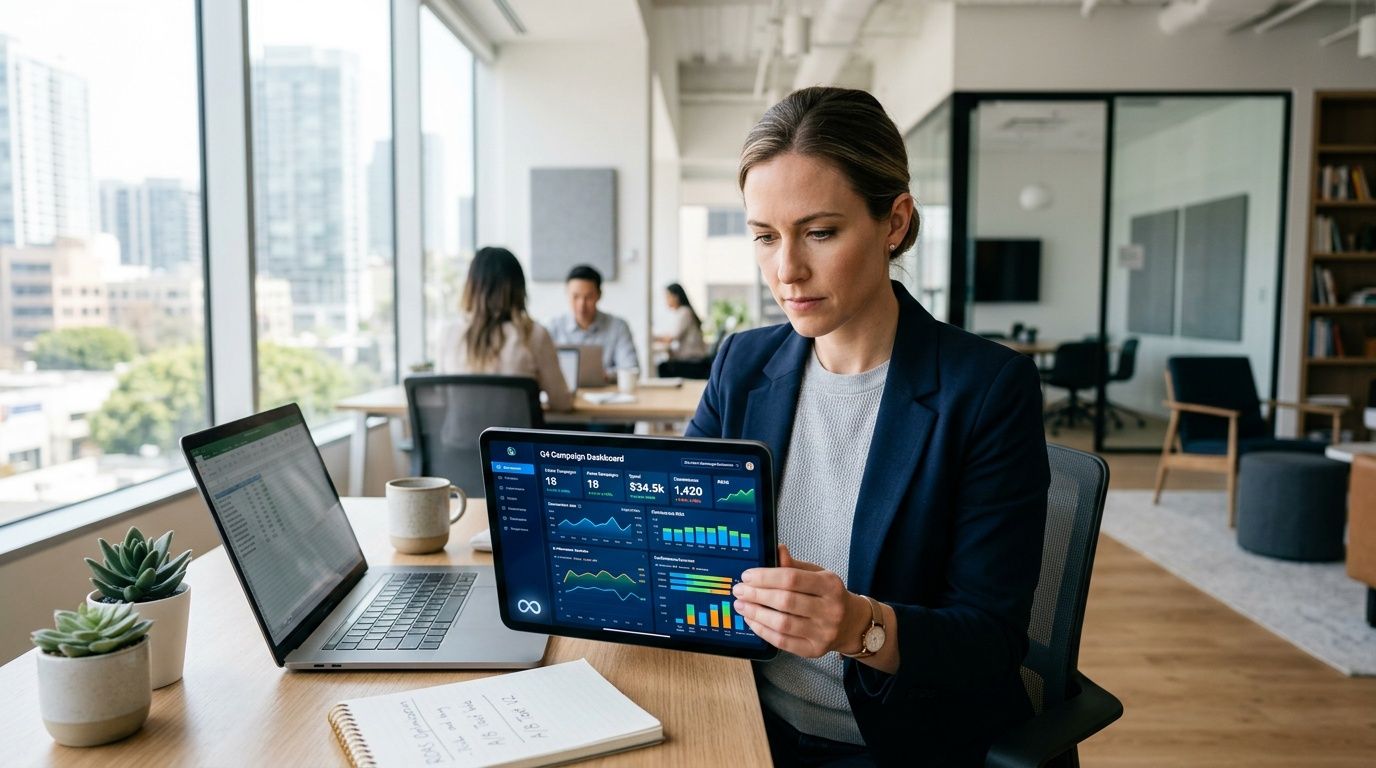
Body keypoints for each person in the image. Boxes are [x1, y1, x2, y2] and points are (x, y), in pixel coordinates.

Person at [687, 87, 1049, 766]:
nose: (786, 269)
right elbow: (684, 540)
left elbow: (990, 641)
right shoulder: (743, 363)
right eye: (765, 237)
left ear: (895, 221)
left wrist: (859, 625)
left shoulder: (986, 391)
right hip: (743, 715)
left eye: (820, 232)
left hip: (892, 745)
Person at [438, 246, 572, 411]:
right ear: (519, 288)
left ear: (471, 287)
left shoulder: (449, 334)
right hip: (512, 438)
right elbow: (562, 403)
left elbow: (440, 398)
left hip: (457, 437)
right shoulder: (534, 335)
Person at [547, 264, 640, 379]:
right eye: (575, 297)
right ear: (567, 294)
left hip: (607, 392)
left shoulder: (618, 326)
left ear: (599, 295)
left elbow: (630, 368)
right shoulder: (554, 327)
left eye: (588, 297)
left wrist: (604, 376)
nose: (582, 304)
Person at [657, 283, 708, 360]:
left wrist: (652, 337)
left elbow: (673, 337)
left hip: (692, 358)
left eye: (668, 296)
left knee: (662, 367)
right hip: (691, 357)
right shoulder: (682, 312)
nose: (666, 300)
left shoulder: (684, 312)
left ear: (676, 297)